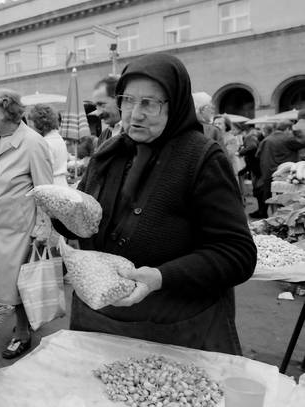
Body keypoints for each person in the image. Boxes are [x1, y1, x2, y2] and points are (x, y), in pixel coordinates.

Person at [53, 53, 256, 354]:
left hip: (174, 328)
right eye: (127, 100)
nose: (135, 114)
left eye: (150, 103)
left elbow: (236, 254)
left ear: (175, 105)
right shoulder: (109, 153)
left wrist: (160, 277)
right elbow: (83, 223)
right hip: (99, 317)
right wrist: (63, 213)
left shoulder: (201, 159)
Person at [0, 88, 53, 359]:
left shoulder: (33, 143)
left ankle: (23, 334)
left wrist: (43, 229)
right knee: (2, 284)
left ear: (10, 114)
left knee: (18, 285)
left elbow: (46, 190)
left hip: (20, 229)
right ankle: (19, 329)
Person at [256, 118, 305, 213]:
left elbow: (257, 155)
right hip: (284, 177)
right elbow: (303, 141)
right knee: (287, 206)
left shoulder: (266, 139)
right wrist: (299, 130)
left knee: (273, 205)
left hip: (268, 175)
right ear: (287, 129)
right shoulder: (287, 138)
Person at [28, 103, 68, 186]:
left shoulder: (45, 143)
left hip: (52, 185)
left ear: (39, 123)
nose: (30, 128)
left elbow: (42, 171)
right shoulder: (58, 138)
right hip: (62, 182)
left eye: (32, 124)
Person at [239, 129, 264, 218]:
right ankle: (261, 211)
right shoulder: (257, 139)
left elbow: (252, 147)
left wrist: (240, 152)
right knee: (259, 190)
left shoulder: (249, 137)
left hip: (257, 169)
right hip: (258, 168)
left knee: (259, 190)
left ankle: (261, 212)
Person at [92, 75, 122, 148]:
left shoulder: (135, 132)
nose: (98, 113)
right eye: (96, 106)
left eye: (101, 104)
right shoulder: (103, 136)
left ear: (118, 100)